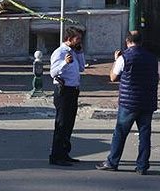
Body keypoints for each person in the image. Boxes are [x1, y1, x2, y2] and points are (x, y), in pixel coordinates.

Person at [96, 31, 159, 175]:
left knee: (120, 132)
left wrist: (115, 60)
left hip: (128, 103)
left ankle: (113, 161)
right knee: (145, 134)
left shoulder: (124, 57)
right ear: (141, 42)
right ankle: (142, 165)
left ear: (127, 41)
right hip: (147, 101)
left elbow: (112, 77)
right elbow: (156, 77)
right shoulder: (152, 58)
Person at [48, 26, 85, 166]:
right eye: (77, 39)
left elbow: (82, 68)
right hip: (63, 91)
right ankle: (56, 155)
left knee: (69, 124)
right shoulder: (60, 52)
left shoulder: (74, 52)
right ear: (69, 39)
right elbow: (53, 73)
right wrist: (65, 63)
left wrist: (80, 52)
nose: (79, 41)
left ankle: (64, 152)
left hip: (74, 90)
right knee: (61, 124)